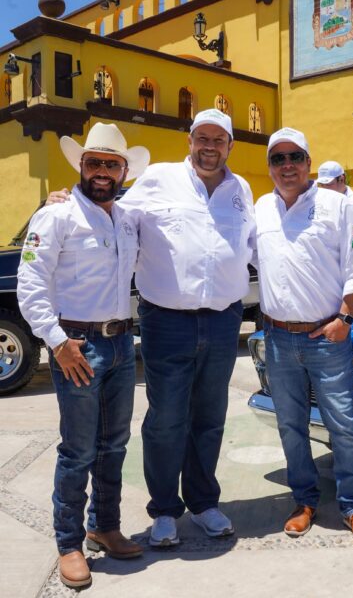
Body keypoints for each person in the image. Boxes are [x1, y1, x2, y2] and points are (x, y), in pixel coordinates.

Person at [114, 108, 257, 547]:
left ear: (230, 146)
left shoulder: (241, 189)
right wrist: (71, 200)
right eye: (202, 137)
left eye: (219, 140)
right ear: (189, 140)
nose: (209, 147)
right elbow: (114, 218)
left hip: (222, 321)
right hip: (166, 321)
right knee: (166, 420)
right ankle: (163, 511)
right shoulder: (158, 178)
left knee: (210, 418)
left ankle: (204, 504)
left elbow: (254, 246)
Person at [17, 123, 149, 588]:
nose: (101, 172)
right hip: (76, 345)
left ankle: (104, 526)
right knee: (77, 451)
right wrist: (56, 341)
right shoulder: (55, 216)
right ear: (80, 165)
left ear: (123, 169)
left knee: (114, 445)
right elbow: (30, 285)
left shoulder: (128, 217)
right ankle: (69, 543)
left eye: (111, 164)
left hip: (118, 344)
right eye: (94, 162)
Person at [254, 127, 353, 544]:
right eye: (278, 159)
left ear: (308, 162)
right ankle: (304, 500)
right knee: (290, 425)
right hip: (276, 338)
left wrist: (345, 318)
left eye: (295, 157)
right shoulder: (260, 209)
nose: (287, 166)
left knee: (342, 424)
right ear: (270, 166)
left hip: (326, 336)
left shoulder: (339, 206)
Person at [316, 161, 353, 287]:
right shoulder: (320, 203)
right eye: (322, 185)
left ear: (341, 179)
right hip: (328, 272)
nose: (325, 188)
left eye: (329, 184)